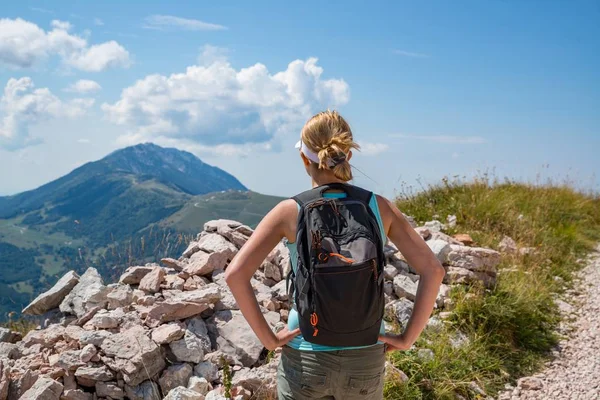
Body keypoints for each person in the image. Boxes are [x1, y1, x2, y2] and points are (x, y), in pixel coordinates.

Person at [225, 110, 446, 399]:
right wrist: (407, 339)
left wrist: (269, 340)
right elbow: (434, 270)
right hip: (365, 354)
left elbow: (235, 275)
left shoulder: (290, 211)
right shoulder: (378, 207)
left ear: (305, 159)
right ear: (347, 155)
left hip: (306, 354)